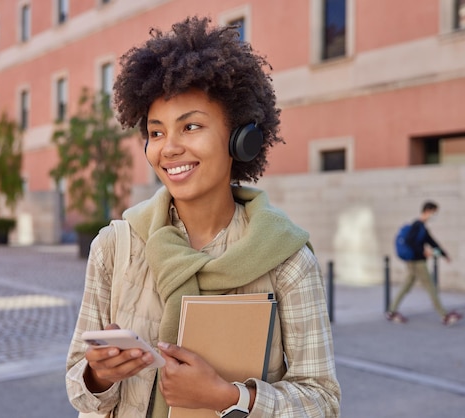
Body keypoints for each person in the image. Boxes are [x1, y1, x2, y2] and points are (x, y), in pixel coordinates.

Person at [66, 16, 340, 417]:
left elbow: (324, 402)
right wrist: (99, 376)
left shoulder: (288, 261)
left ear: (240, 139)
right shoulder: (114, 246)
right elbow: (78, 385)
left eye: (190, 126)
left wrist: (232, 399)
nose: (168, 148)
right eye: (156, 133)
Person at [386, 201, 463, 326]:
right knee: (431, 287)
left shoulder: (422, 227)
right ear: (428, 211)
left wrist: (444, 255)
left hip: (415, 261)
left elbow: (432, 242)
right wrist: (423, 252)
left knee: (407, 285)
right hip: (417, 262)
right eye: (434, 213)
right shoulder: (417, 225)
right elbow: (410, 241)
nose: (435, 216)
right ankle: (444, 315)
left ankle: (391, 311)